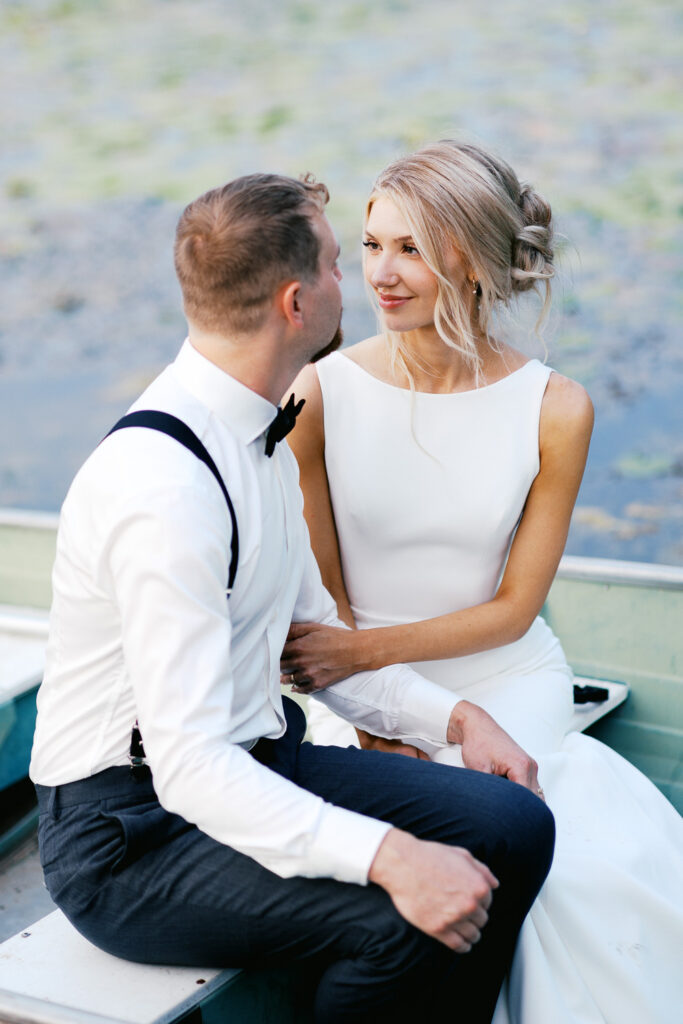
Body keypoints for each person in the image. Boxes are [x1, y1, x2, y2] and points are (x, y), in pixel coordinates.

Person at [29, 172, 556, 1024]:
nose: (357, 283)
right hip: (132, 837)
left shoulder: (260, 429)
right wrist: (389, 857)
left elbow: (313, 643)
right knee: (402, 918)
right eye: (339, 264)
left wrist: (455, 722)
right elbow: (190, 766)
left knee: (514, 825)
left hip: (254, 757)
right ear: (295, 302)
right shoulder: (164, 489)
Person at [282, 142, 683, 1024]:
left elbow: (511, 610)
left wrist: (363, 654)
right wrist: (369, 704)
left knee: (556, 875)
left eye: (412, 250)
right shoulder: (319, 392)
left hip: (505, 678)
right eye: (371, 244)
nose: (380, 276)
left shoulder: (555, 407)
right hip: (348, 686)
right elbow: (324, 601)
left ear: (472, 260)